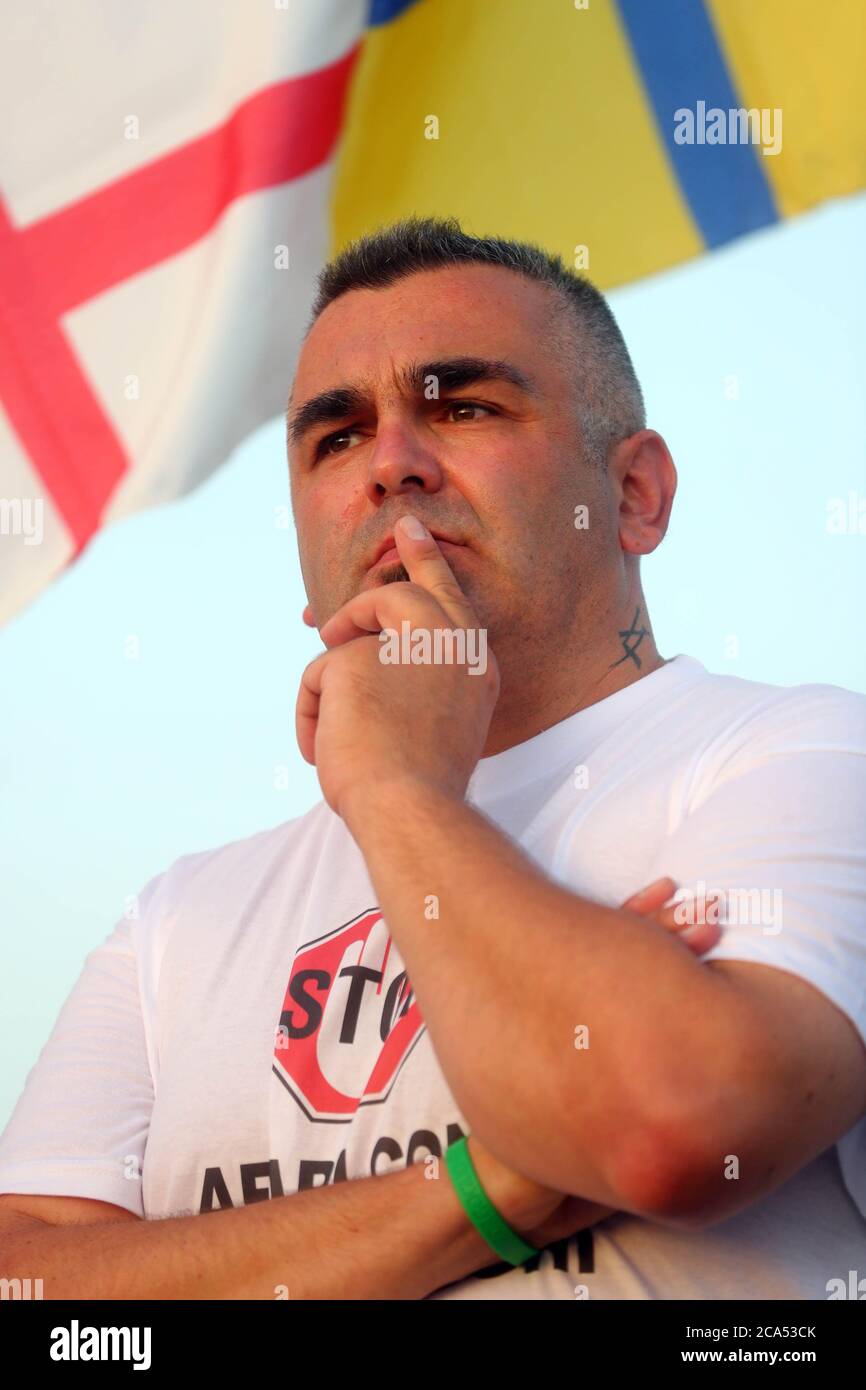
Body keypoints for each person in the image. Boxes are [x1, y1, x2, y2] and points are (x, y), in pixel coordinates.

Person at [1, 216, 864, 1301]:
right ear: (309, 566)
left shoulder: (807, 759)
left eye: (462, 405)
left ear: (634, 495)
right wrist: (487, 1185)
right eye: (337, 437)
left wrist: (394, 785)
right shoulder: (176, 921)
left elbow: (671, 1124)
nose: (391, 465)